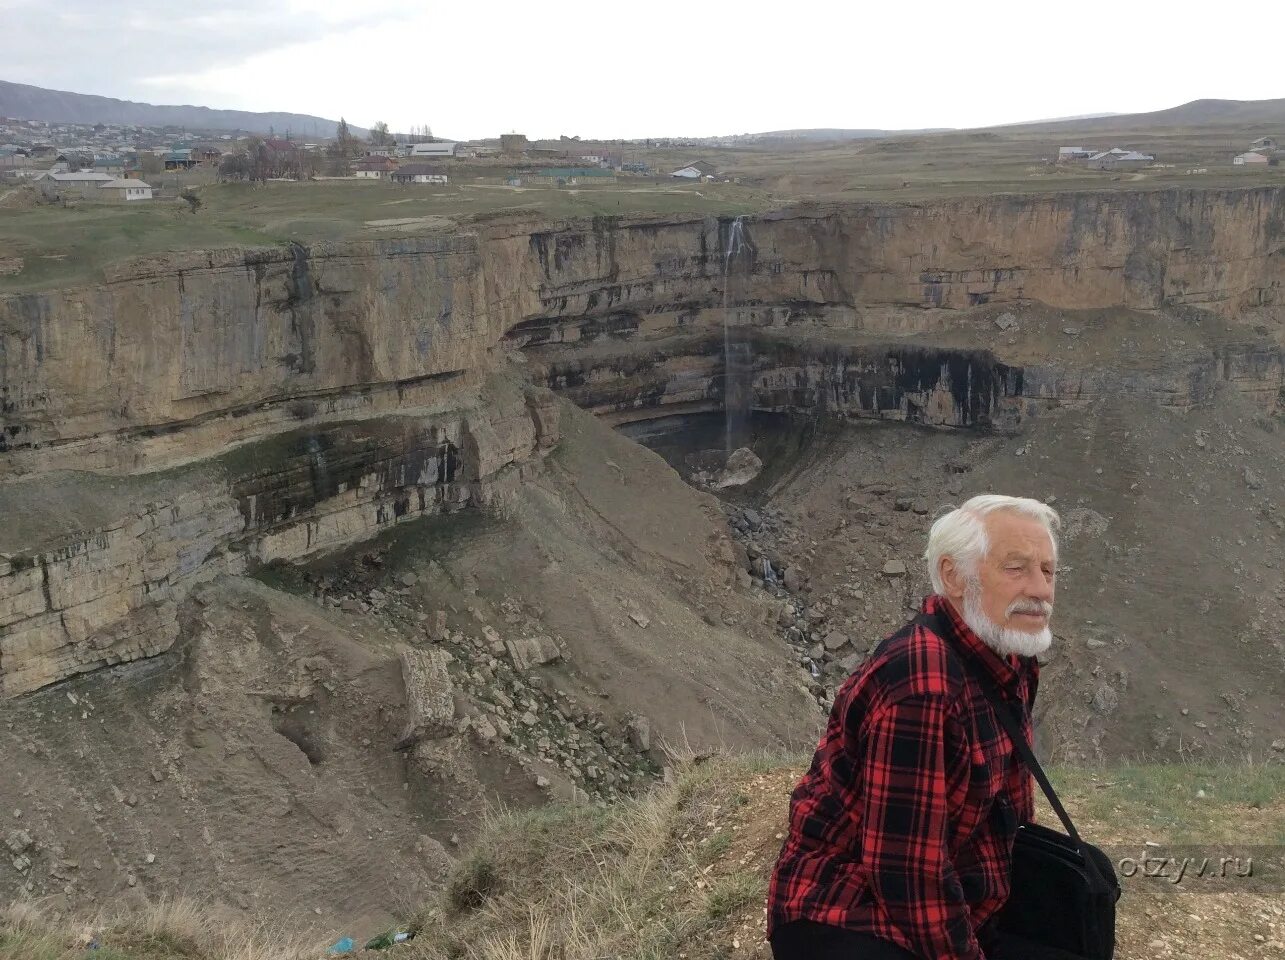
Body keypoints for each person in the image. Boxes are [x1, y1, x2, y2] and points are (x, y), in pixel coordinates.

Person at [767, 494, 1070, 960]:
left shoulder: (1010, 656)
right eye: (1016, 568)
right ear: (953, 576)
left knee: (1083, 900)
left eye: (1048, 572)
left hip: (953, 883)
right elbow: (907, 872)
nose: (1041, 589)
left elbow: (1008, 806)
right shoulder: (922, 684)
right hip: (848, 906)